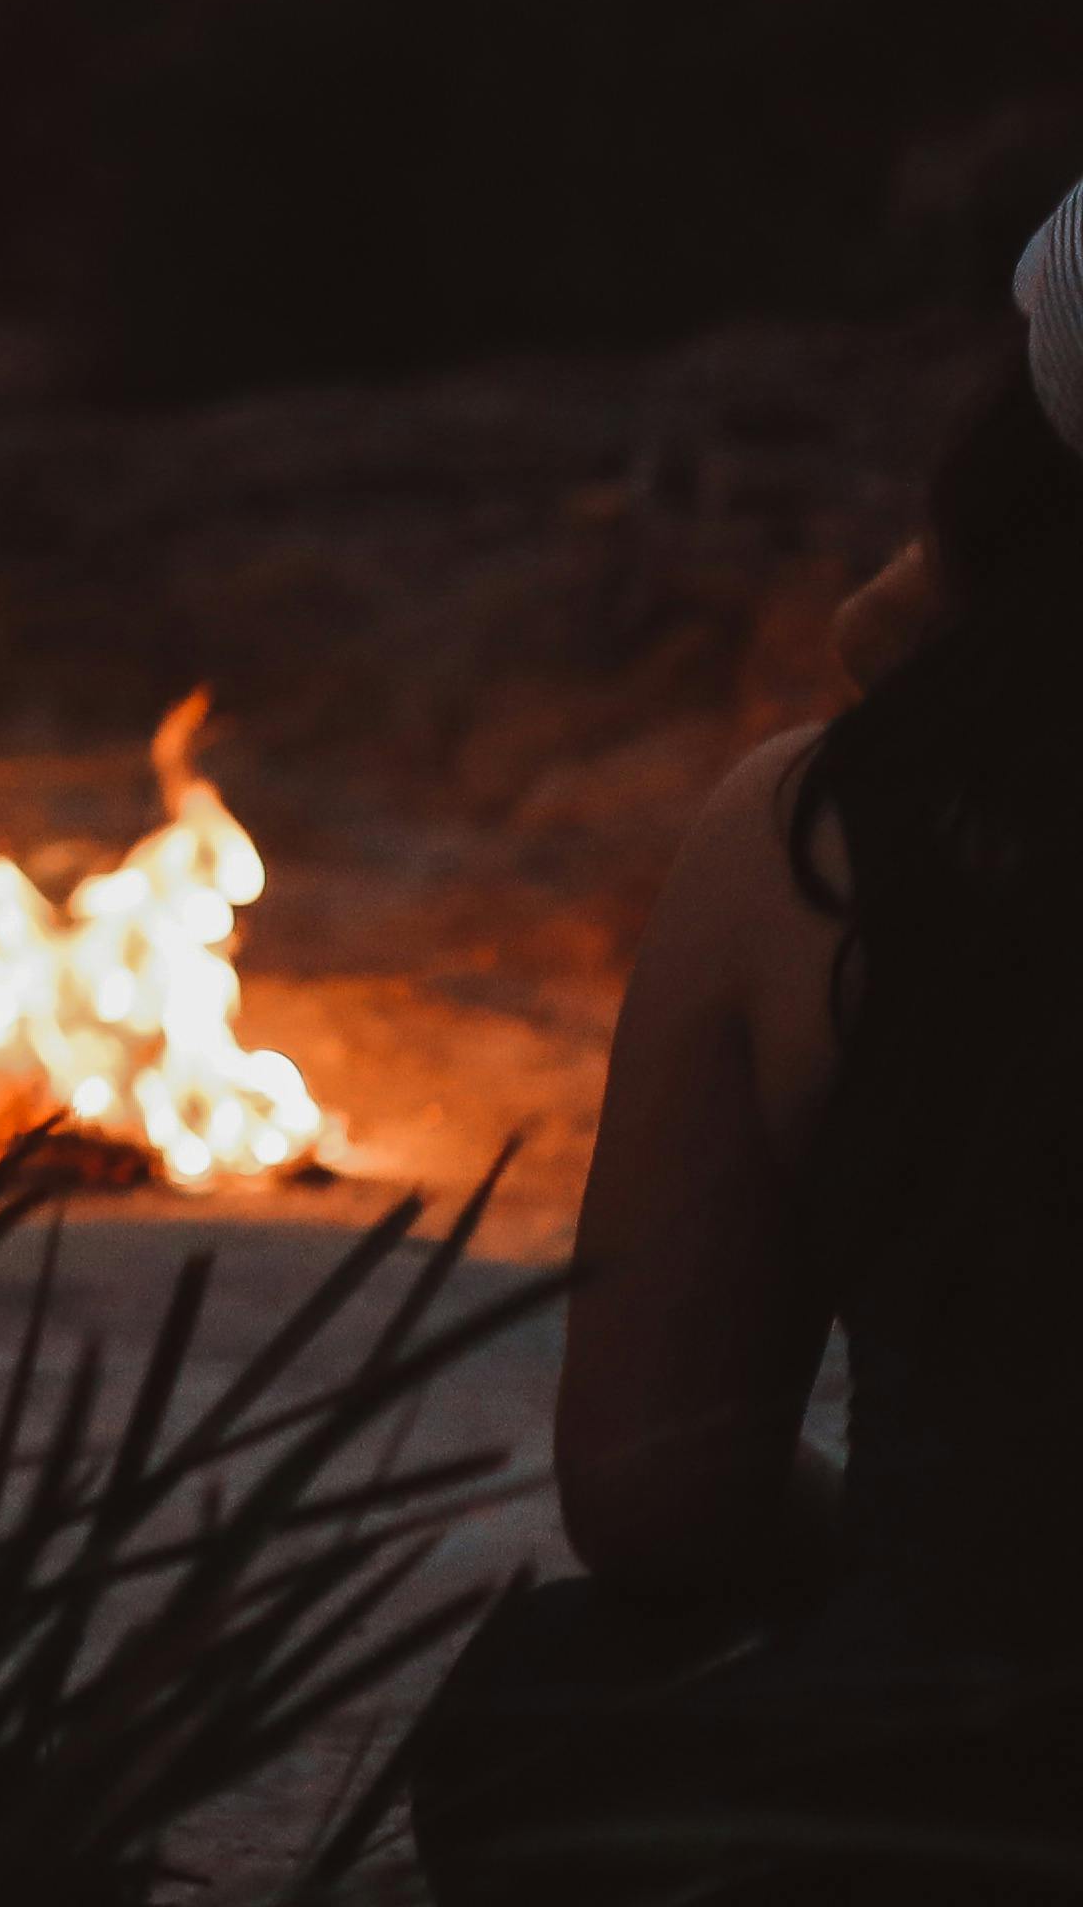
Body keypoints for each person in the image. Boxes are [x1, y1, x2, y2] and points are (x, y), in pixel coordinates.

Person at [408, 198, 1083, 1890]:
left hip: (959, 1771)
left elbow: (656, 1497)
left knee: (555, 1697)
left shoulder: (820, 837)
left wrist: (937, 1531)